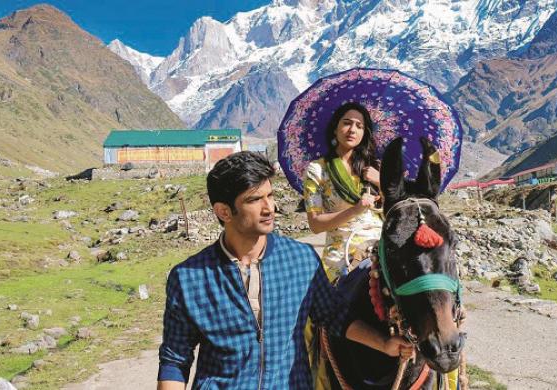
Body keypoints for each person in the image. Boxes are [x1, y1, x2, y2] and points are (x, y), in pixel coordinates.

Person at [157, 151, 413, 390]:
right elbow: (175, 359)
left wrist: (384, 344)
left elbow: (335, 316)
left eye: (270, 195)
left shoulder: (300, 260)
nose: (269, 208)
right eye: (254, 199)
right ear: (224, 211)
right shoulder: (189, 278)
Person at [303, 102, 384, 281]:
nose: (352, 130)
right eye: (347, 123)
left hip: (381, 248)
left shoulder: (376, 169)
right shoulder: (317, 169)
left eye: (359, 126)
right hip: (342, 255)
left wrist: (381, 181)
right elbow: (315, 225)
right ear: (335, 128)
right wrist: (355, 210)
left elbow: (395, 210)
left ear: (364, 133)